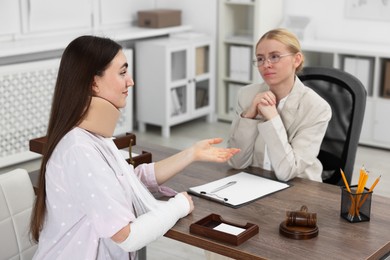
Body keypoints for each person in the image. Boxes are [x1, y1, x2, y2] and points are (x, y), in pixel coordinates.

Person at [30, 35, 240, 260]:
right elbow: (127, 236)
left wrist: (191, 154)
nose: (130, 81)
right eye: (122, 73)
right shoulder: (79, 149)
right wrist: (177, 206)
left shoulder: (94, 137)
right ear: (93, 83)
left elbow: (128, 181)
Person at [227, 28, 331, 182]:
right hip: (255, 182)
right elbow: (236, 162)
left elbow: (287, 172)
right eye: (260, 59)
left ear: (296, 60)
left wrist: (273, 118)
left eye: (275, 57)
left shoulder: (317, 108)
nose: (266, 65)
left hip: (300, 189)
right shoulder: (246, 95)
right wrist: (249, 115)